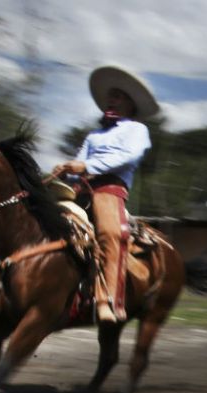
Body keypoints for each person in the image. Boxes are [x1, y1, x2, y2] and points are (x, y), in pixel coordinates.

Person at [52, 66, 160, 323]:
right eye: (110, 96)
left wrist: (87, 167)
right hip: (81, 188)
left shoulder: (137, 130)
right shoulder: (94, 136)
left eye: (117, 96)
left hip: (109, 190)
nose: (110, 100)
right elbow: (79, 162)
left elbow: (127, 157)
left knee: (111, 234)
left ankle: (107, 300)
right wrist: (66, 171)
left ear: (130, 104)